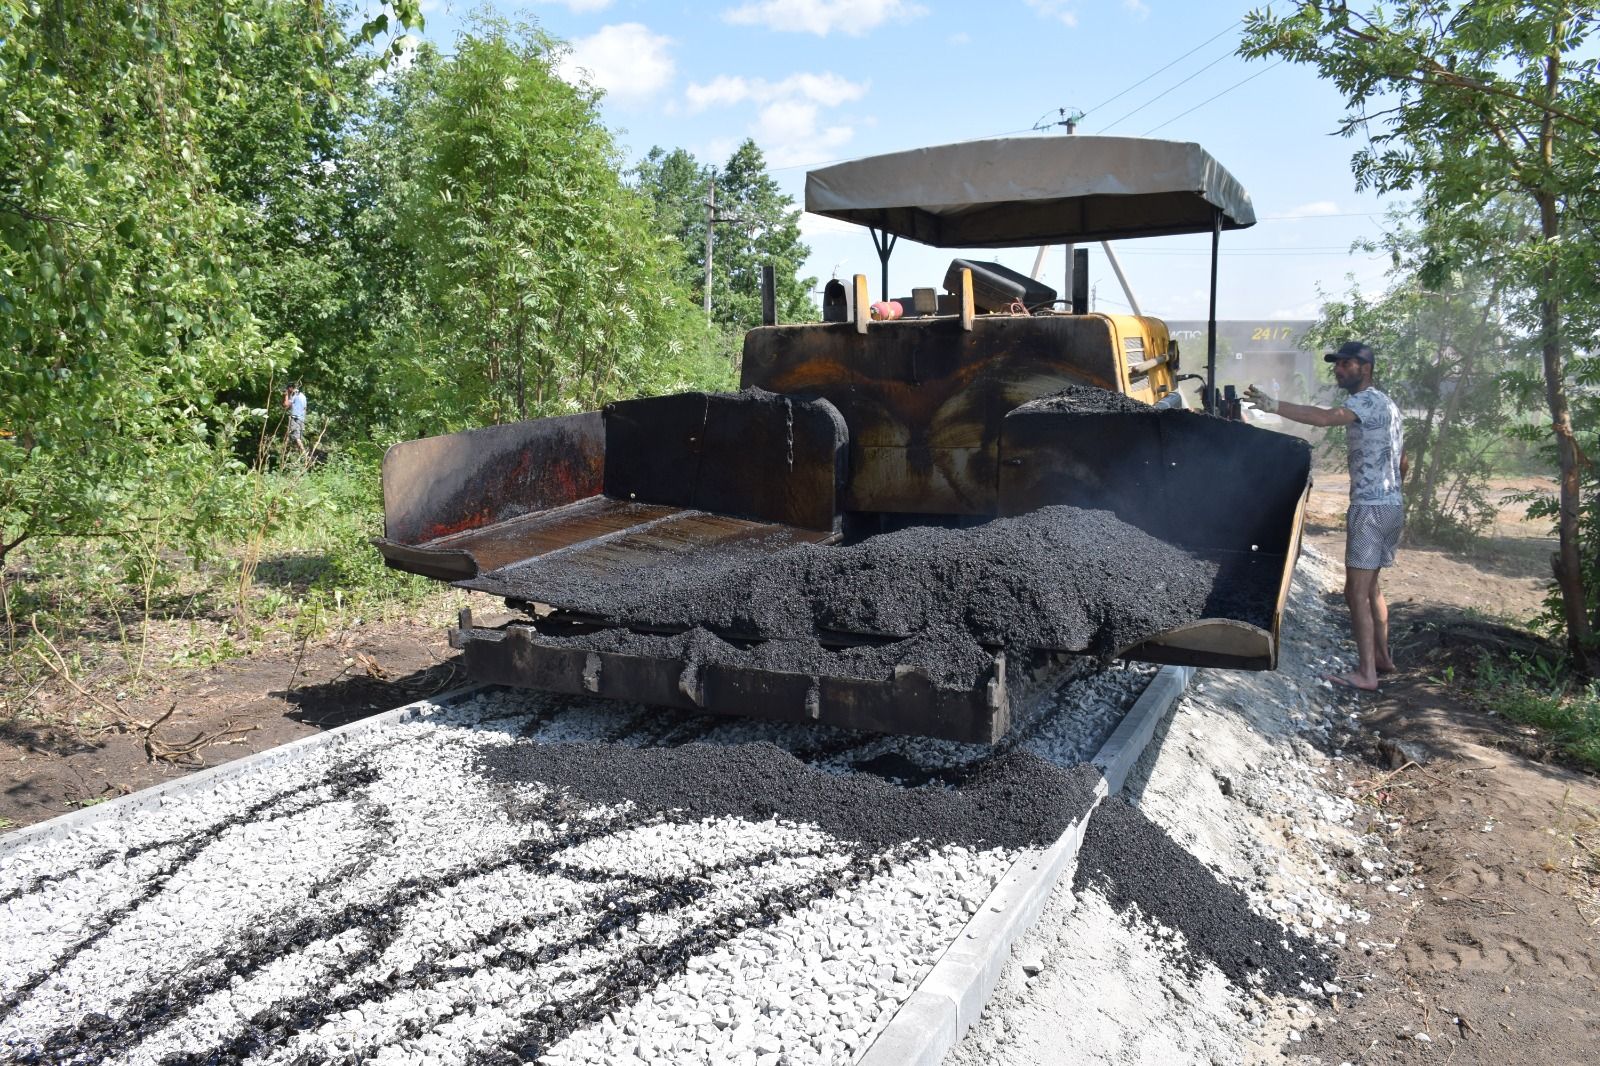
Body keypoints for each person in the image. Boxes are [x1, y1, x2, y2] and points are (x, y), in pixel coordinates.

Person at [1245, 341, 1406, 691]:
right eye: (1337, 364)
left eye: (1346, 364)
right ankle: (1382, 658)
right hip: (1392, 506)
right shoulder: (1389, 405)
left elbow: (1323, 418)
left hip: (1370, 509)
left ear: (1365, 368)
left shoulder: (1363, 401)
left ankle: (1366, 674)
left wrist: (1273, 406)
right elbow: (1403, 463)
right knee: (1372, 587)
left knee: (1355, 593)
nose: (1338, 369)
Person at [283, 384, 307, 456]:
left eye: (288, 389)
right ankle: (299, 456)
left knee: (296, 438)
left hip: (295, 418)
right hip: (301, 418)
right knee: (298, 438)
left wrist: (286, 395)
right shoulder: (302, 395)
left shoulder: (294, 395)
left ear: (290, 388)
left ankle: (305, 456)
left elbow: (286, 405)